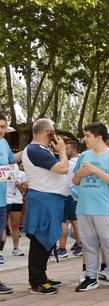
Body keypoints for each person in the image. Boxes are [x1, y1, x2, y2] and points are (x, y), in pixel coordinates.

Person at [73, 122, 109, 292]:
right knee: (88, 244)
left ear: (98, 137)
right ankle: (90, 277)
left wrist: (95, 171)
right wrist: (79, 174)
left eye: (87, 135)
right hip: (83, 207)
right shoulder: (84, 156)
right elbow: (75, 180)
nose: (85, 139)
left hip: (104, 208)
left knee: (108, 242)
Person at [22, 118, 69, 294]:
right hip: (44, 199)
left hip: (49, 199)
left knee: (45, 240)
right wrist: (62, 151)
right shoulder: (35, 150)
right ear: (49, 132)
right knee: (41, 239)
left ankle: (40, 276)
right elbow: (62, 168)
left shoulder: (39, 150)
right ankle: (37, 281)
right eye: (54, 130)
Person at [56, 139, 81, 259]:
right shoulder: (83, 161)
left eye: (67, 148)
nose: (65, 150)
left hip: (68, 194)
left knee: (64, 222)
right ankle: (80, 245)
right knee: (75, 222)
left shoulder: (69, 163)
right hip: (79, 196)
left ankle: (62, 248)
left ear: (74, 150)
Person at [0, 114, 17, 267]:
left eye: (3, 127)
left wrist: (29, 150)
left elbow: (11, 162)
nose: (1, 130)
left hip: (3, 200)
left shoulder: (4, 143)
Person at [5, 161, 27, 259]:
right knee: (2, 226)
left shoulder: (22, 174)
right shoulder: (3, 171)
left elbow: (25, 189)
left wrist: (19, 184)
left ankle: (16, 248)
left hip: (16, 200)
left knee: (15, 225)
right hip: (4, 200)